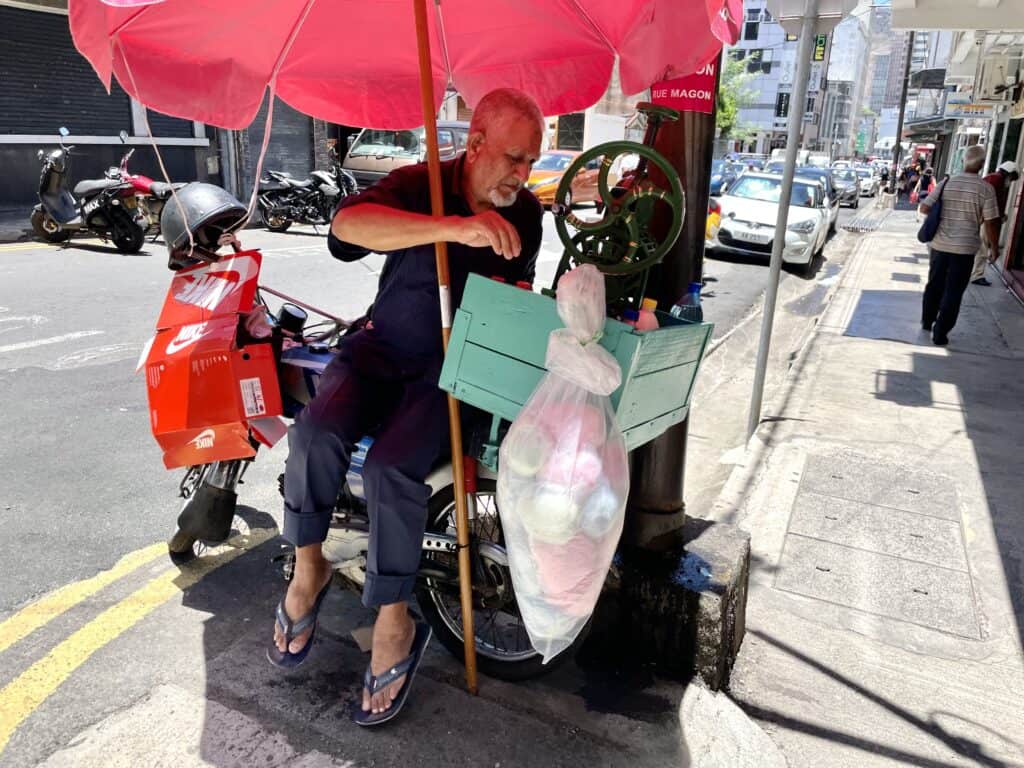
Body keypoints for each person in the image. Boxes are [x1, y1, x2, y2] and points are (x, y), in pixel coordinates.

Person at [269, 87, 544, 724]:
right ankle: (307, 570)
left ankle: (395, 618)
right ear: (475, 144)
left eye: (530, 162)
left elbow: (518, 294)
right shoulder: (419, 182)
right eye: (513, 158)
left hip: (450, 372)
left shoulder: (526, 213)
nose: (522, 176)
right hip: (381, 346)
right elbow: (345, 228)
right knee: (313, 435)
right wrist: (454, 227)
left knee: (395, 468)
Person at [919, 144, 1001, 346]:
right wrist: (994, 247)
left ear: (964, 160)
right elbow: (991, 221)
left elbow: (924, 207)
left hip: (940, 245)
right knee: (954, 291)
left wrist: (944, 216)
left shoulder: (947, 182)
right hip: (964, 249)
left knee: (934, 285)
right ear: (981, 164)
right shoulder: (986, 189)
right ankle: (941, 332)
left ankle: (927, 321)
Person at [970, 160, 1020, 286]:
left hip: (982, 217)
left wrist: (1001, 216)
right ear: (1009, 173)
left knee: (980, 246)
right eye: (1012, 178)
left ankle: (974, 273)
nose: (1012, 182)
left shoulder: (994, 179)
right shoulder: (996, 181)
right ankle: (977, 275)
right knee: (983, 248)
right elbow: (991, 204)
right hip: (984, 218)